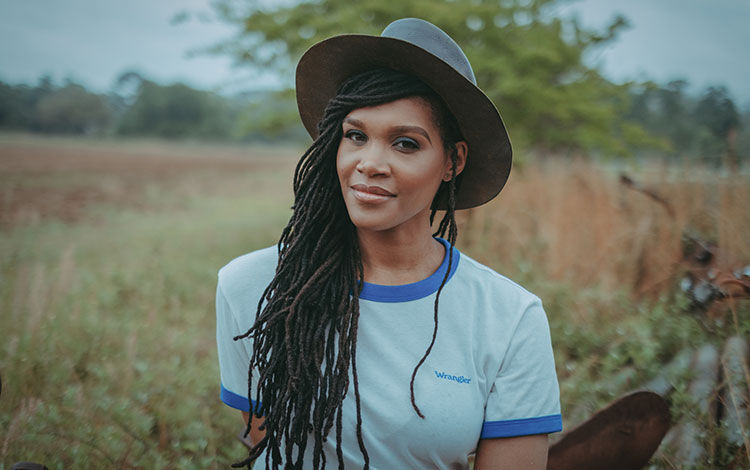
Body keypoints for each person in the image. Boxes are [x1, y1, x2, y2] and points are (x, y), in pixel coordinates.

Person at [216, 17, 562, 469]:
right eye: (355, 136)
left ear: (452, 161)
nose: (370, 163)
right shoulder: (253, 287)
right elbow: (270, 444)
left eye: (405, 143)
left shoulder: (510, 319)